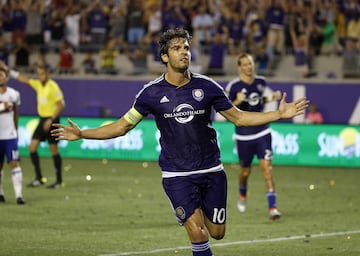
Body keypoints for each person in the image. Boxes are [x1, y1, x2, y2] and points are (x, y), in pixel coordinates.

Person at [51, 28, 308, 256]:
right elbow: (122, 126)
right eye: (176, 48)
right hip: (176, 174)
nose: (184, 52)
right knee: (198, 234)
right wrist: (83, 133)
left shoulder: (207, 87)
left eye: (186, 47)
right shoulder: (150, 93)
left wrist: (278, 113)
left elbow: (238, 118)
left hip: (211, 171)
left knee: (216, 232)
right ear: (165, 57)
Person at [225, 53, 283, 220]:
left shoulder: (261, 82)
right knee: (245, 171)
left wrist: (272, 98)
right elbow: (225, 109)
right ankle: (242, 194)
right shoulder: (234, 85)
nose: (249, 67)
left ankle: (273, 208)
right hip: (244, 136)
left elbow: (257, 100)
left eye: (250, 63)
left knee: (267, 170)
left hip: (263, 132)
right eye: (245, 64)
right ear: (239, 67)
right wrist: (236, 100)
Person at [8, 65, 65, 189]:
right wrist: (9, 71)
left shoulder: (53, 86)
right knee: (32, 148)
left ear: (47, 74)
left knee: (53, 150)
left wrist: (51, 119)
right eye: (39, 74)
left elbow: (61, 105)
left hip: (52, 120)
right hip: (42, 119)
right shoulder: (38, 84)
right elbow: (24, 80)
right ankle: (39, 178)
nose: (41, 76)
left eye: (42, 74)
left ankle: (59, 181)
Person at [0, 67, 26, 204]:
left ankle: (19, 195)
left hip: (9, 136)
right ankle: (0, 193)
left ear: (6, 78)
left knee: (14, 163)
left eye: (1, 75)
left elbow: (16, 113)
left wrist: (16, 131)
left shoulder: (14, 94)